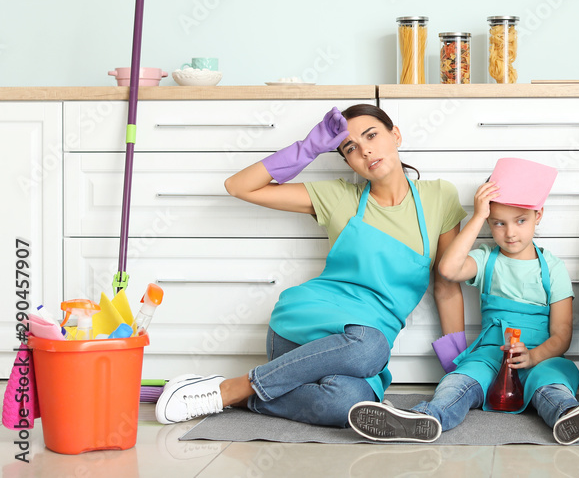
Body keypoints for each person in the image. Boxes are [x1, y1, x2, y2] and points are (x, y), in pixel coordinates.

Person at [155, 104, 468, 427]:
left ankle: (247, 395)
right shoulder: (337, 197)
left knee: (348, 404)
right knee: (370, 347)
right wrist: (309, 148)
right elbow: (239, 186)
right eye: (351, 147)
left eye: (371, 135)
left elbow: (446, 285)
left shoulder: (439, 197)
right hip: (304, 329)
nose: (365, 150)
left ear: (396, 135)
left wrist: (458, 364)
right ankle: (230, 388)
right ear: (347, 160)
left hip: (358, 344)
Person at [348, 158, 579, 445]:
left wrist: (533, 357)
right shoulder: (485, 258)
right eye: (498, 223)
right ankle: (427, 417)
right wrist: (475, 217)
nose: (510, 233)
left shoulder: (553, 267)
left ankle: (570, 416)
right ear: (488, 222)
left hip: (539, 355)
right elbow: (448, 270)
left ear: (539, 215)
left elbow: (562, 335)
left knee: (551, 383)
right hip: (489, 354)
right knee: (458, 383)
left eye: (520, 221)